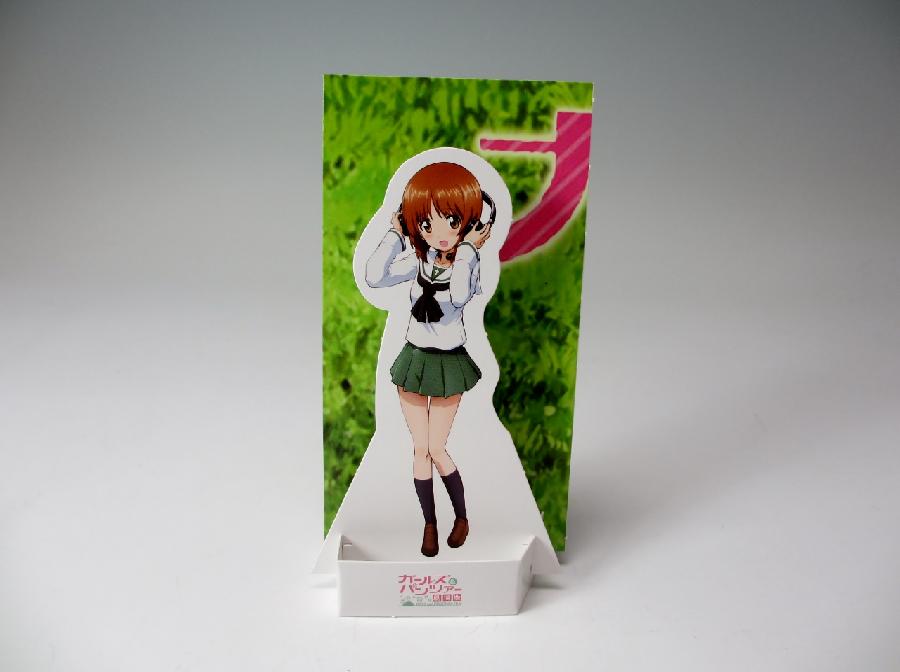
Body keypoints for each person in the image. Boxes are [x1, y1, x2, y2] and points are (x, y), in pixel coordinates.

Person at [365, 161, 493, 557]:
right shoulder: (419, 262)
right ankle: (430, 525)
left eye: (452, 221)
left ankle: (462, 517)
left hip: (448, 362)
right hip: (415, 359)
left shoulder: (468, 266)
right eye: (426, 222)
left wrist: (468, 250)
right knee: (419, 449)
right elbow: (373, 276)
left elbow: (458, 297)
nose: (439, 233)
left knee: (436, 447)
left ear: (470, 223)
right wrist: (395, 233)